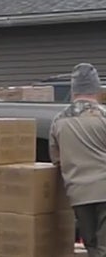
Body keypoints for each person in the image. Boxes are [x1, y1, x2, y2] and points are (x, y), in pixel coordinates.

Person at [50, 63, 106, 256]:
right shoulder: (104, 117)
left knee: (91, 245)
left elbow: (56, 159)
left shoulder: (58, 120)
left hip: (79, 194)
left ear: (73, 90)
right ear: (96, 89)